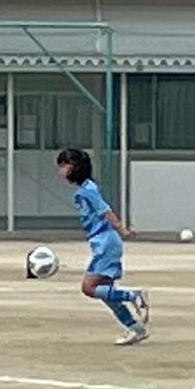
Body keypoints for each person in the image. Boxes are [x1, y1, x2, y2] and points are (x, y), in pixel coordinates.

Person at [57, 148, 148, 346]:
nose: (61, 171)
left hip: (105, 243)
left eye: (64, 165)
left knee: (88, 288)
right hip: (103, 242)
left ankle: (133, 295)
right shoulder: (86, 188)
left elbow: (105, 211)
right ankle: (135, 328)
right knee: (106, 293)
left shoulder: (87, 190)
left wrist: (122, 230)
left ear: (75, 167)